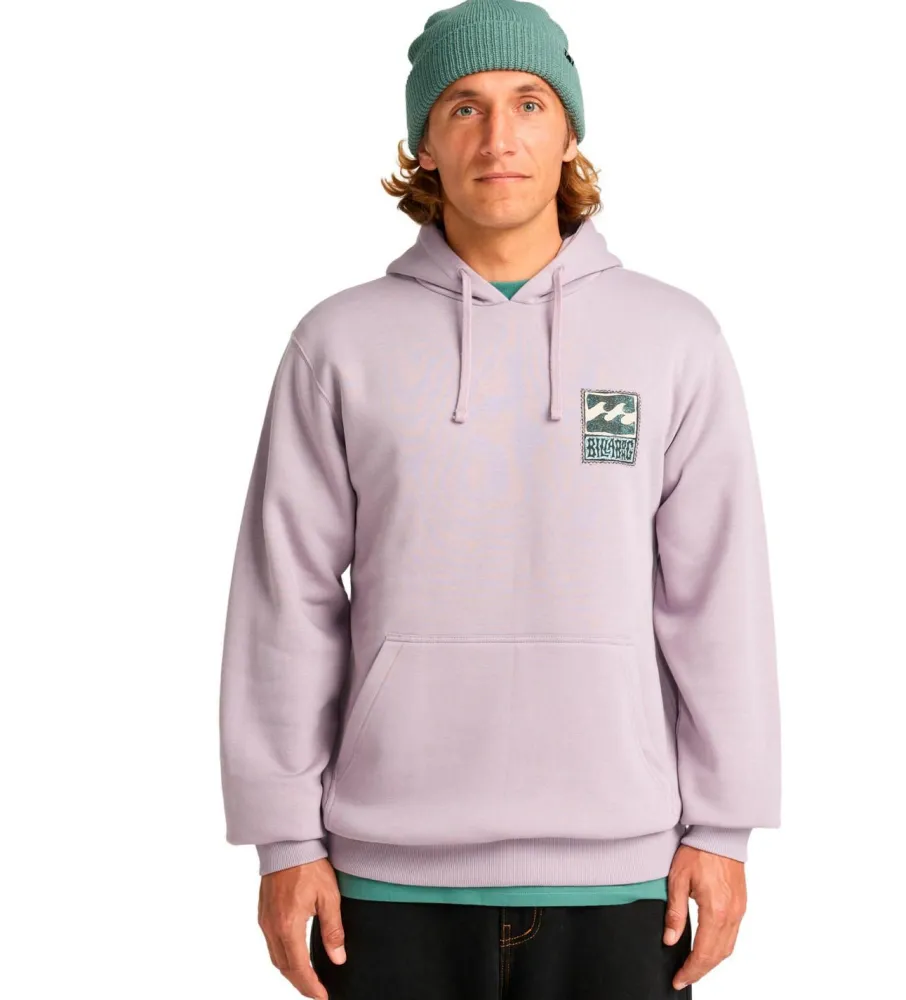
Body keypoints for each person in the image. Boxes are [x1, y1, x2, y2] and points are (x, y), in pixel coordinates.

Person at [218, 1, 782, 996]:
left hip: (626, 874)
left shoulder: (673, 338)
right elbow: (285, 599)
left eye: (528, 102)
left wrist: (724, 827)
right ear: (423, 144)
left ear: (569, 131)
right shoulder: (337, 344)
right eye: (463, 108)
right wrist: (282, 839)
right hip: (383, 878)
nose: (498, 137)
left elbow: (717, 598)